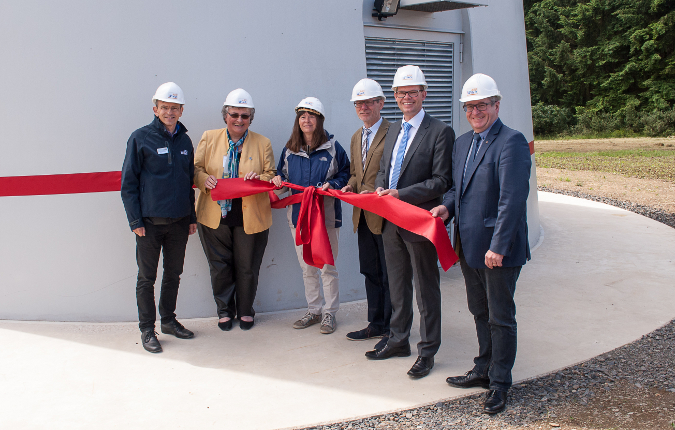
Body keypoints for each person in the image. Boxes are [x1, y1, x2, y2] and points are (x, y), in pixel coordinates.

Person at [431, 73, 531, 414]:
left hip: (497, 251)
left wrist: (499, 247)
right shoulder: (462, 143)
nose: (475, 111)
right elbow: (459, 189)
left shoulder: (511, 142)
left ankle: (500, 382)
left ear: (496, 105)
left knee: (500, 315)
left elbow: (512, 200)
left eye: (482, 105)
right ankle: (484, 367)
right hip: (470, 247)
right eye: (469, 106)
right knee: (479, 311)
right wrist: (447, 206)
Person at [369, 65, 455, 379]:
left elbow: (441, 180)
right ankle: (398, 340)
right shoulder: (392, 129)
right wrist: (380, 188)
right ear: (394, 96)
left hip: (419, 221)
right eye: (402, 93)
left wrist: (400, 194)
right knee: (397, 283)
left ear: (424, 94)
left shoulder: (440, 131)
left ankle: (428, 351)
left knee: (426, 288)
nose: (407, 97)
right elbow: (384, 168)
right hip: (391, 220)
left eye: (413, 92)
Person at [121, 82, 197, 353]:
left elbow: (188, 182)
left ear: (181, 110)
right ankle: (147, 329)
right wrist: (135, 221)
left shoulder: (185, 141)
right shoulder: (140, 138)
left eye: (174, 108)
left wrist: (191, 217)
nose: (169, 112)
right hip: (149, 225)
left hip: (179, 222)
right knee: (147, 277)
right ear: (155, 109)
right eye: (164, 107)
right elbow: (128, 184)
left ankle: (168, 320)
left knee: (173, 274)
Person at [194, 88, 276, 331]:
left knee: (247, 266)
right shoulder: (209, 137)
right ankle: (224, 311)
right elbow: (196, 168)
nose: (239, 120)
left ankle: (246, 310)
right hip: (215, 214)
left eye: (245, 116)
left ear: (251, 118)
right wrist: (203, 179)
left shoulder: (263, 143)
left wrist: (258, 177)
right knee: (219, 266)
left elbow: (271, 176)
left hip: (250, 215)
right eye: (235, 114)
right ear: (225, 115)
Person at [271, 97, 350, 335]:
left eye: (312, 116)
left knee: (327, 266)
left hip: (325, 216)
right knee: (307, 267)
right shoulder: (289, 149)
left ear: (320, 120)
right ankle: (314, 310)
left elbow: (346, 174)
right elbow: (282, 179)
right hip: (299, 217)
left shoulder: (333, 147)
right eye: (303, 116)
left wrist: (332, 184)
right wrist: (276, 182)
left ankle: (330, 313)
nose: (307, 120)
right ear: (298, 120)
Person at [341, 79, 391, 348]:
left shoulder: (393, 132)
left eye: (369, 102)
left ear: (381, 103)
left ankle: (394, 326)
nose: (363, 107)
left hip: (385, 215)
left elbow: (396, 172)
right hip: (361, 216)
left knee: (389, 273)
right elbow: (356, 173)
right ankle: (376, 323)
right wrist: (350, 185)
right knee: (370, 271)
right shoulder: (356, 137)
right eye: (359, 103)